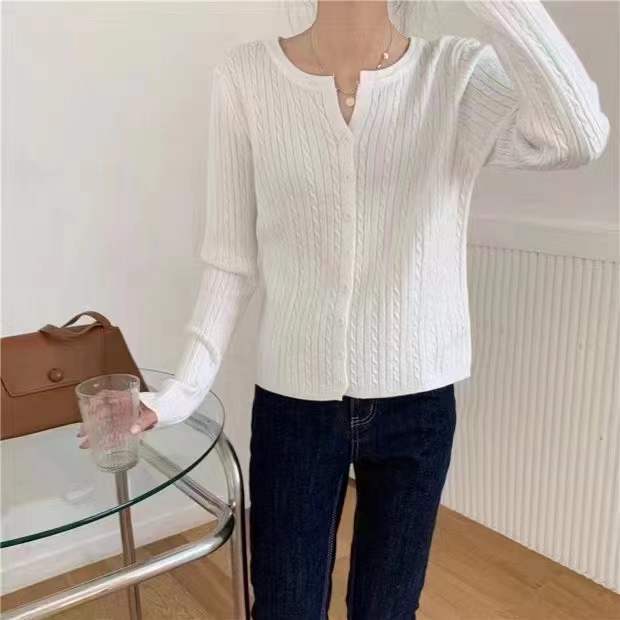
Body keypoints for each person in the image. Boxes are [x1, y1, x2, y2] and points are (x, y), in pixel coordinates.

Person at [78, 0, 610, 617]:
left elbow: (578, 135)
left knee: (388, 610)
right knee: (285, 607)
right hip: (294, 406)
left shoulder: (456, 74)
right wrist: (178, 394)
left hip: (419, 405)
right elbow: (230, 260)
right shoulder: (246, 78)